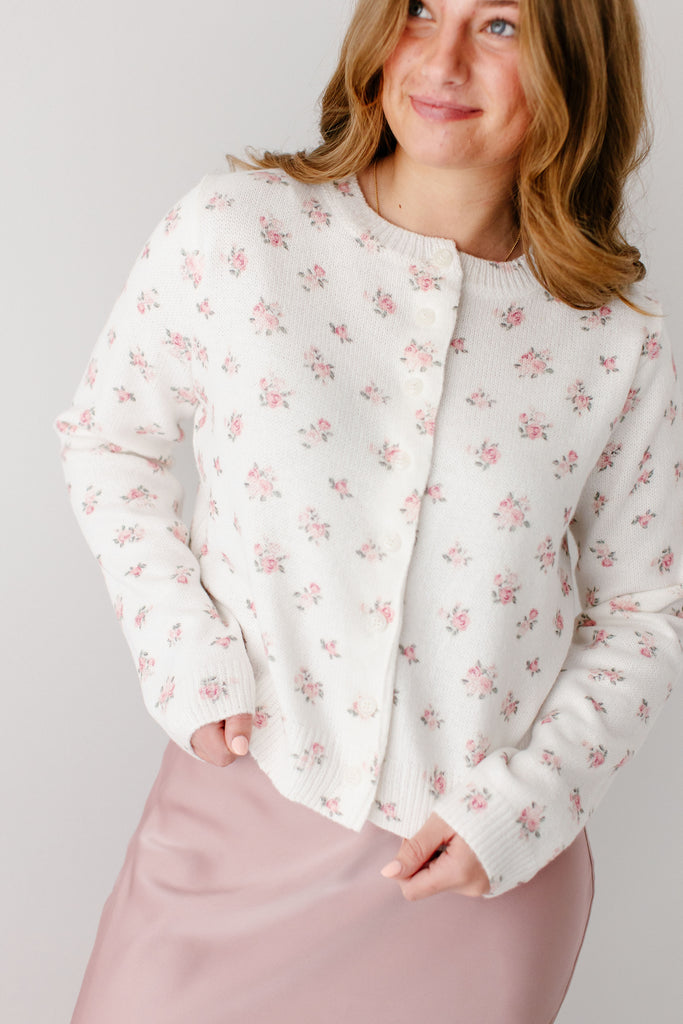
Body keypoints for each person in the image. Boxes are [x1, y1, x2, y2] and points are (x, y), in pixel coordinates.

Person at [53, 0, 683, 1021]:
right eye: (421, 10)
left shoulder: (611, 338)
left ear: (574, 61)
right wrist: (182, 653)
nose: (441, 60)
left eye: (499, 26)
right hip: (234, 819)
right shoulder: (237, 232)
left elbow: (642, 612)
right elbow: (109, 439)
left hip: (471, 872)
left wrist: (518, 809)